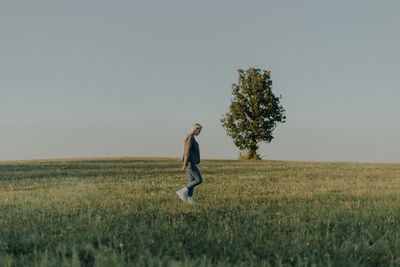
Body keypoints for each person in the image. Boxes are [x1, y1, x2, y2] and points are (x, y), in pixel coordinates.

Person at [176, 123, 203, 205]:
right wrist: (185, 164)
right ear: (195, 129)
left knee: (192, 181)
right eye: (199, 130)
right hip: (189, 163)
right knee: (199, 180)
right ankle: (182, 191)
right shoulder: (190, 137)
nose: (200, 132)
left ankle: (190, 200)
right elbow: (187, 152)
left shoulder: (192, 137)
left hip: (190, 162)